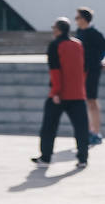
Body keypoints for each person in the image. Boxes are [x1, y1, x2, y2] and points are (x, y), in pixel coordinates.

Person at [32, 17, 88, 169]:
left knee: (49, 127)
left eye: (53, 27)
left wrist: (56, 92)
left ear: (58, 30)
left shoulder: (55, 45)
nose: (52, 30)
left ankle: (45, 157)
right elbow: (83, 69)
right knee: (81, 127)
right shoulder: (78, 45)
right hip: (77, 93)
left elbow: (55, 70)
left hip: (60, 94)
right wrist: (80, 87)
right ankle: (83, 159)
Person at [73, 7, 105, 147]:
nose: (76, 21)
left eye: (77, 18)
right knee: (88, 101)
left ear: (84, 19)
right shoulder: (80, 32)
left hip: (93, 71)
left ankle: (96, 132)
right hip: (82, 71)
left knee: (92, 100)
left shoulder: (93, 33)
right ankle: (91, 130)